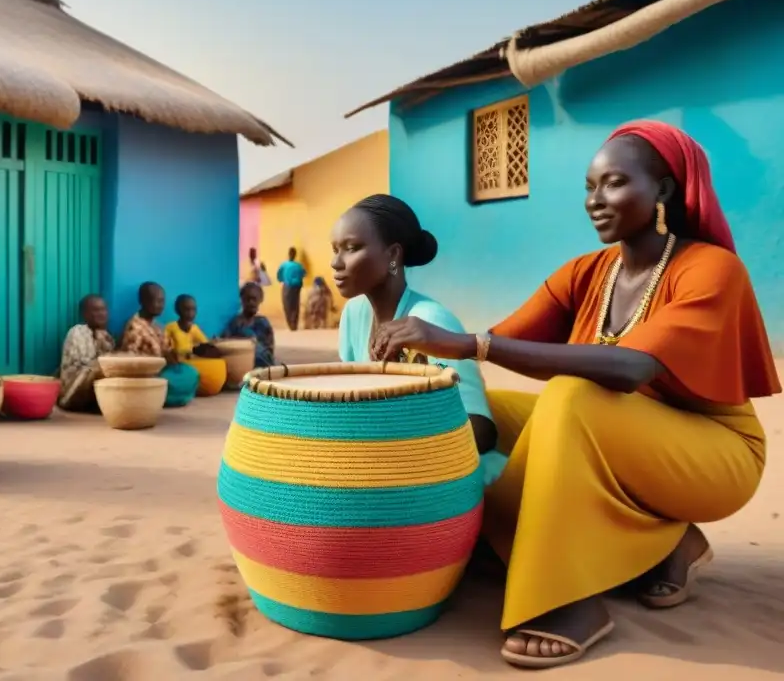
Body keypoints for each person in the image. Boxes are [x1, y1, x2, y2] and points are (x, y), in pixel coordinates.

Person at [370, 121, 780, 669]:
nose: (594, 200)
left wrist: (469, 342)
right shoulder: (588, 272)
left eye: (613, 184)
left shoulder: (710, 268)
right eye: (589, 186)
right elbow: (501, 340)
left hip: (715, 454)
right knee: (478, 408)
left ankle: (567, 600)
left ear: (661, 190)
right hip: (621, 436)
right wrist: (426, 347)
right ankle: (665, 543)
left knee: (570, 398)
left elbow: (632, 368)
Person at [332, 194, 504, 469]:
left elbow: (481, 432)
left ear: (392, 255)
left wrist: (392, 449)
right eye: (335, 249)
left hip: (453, 482)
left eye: (351, 248)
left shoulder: (431, 321)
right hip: (389, 470)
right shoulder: (354, 314)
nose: (336, 263)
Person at [120, 281, 200, 407]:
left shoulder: (156, 326)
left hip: (162, 371)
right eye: (157, 301)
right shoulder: (134, 328)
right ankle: (155, 397)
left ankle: (165, 396)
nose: (161, 305)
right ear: (143, 302)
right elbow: (132, 364)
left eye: (162, 301)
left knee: (191, 373)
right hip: (145, 377)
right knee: (176, 381)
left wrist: (174, 357)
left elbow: (167, 350)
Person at [59, 294, 116, 411]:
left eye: (104, 309)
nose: (102, 314)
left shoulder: (107, 337)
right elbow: (86, 366)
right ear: (85, 314)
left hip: (92, 389)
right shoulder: (77, 332)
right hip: (73, 388)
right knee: (103, 367)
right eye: (96, 310)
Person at [221, 282, 276, 368]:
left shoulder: (263, 323)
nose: (251, 303)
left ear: (260, 300)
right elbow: (225, 344)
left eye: (254, 299)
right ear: (242, 300)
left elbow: (270, 350)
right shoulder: (236, 323)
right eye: (247, 299)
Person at [165, 294, 209, 360]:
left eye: (194, 309)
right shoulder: (171, 327)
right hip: (174, 360)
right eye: (187, 309)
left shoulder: (195, 328)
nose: (191, 313)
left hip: (190, 359)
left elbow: (205, 343)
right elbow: (164, 346)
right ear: (177, 310)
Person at [276, 247, 306, 331]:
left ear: (288, 254)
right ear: (295, 255)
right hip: (297, 286)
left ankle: (290, 324)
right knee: (295, 305)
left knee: (287, 304)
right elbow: (304, 273)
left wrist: (282, 279)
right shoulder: (299, 265)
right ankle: (294, 323)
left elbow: (279, 275)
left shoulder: (284, 265)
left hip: (288, 286)